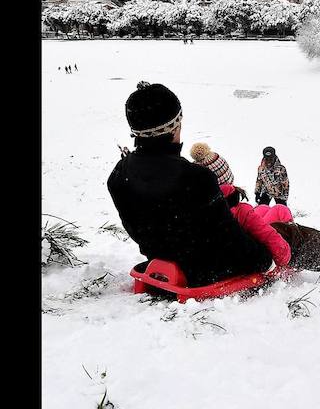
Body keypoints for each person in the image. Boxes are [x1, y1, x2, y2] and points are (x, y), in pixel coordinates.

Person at [107, 82, 275, 286]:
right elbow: (231, 242)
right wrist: (264, 259)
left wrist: (222, 200)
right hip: (208, 269)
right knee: (279, 226)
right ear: (175, 126)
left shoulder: (119, 174)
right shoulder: (195, 177)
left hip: (160, 260)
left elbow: (176, 215)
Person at [220, 184, 293, 267]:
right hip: (256, 260)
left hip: (225, 258)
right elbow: (266, 235)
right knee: (281, 209)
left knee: (263, 208)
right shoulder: (239, 212)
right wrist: (283, 258)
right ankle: (292, 254)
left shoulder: (210, 210)